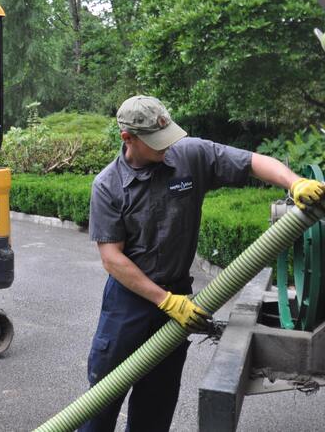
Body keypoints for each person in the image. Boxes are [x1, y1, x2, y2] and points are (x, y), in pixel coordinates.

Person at [81, 95, 325, 432]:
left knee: (157, 402)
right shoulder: (108, 186)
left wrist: (294, 182)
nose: (166, 148)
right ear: (128, 138)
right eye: (156, 143)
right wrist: (164, 301)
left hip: (179, 293)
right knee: (101, 403)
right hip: (130, 303)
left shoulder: (189, 154)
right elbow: (112, 258)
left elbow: (253, 161)